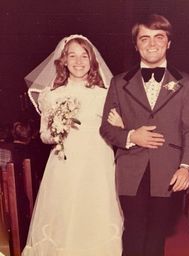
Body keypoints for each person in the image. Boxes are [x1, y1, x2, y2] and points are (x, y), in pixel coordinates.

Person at [100, 14, 189, 256]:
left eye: (159, 37)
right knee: (134, 231)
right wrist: (131, 136)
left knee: (157, 234)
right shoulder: (119, 83)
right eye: (144, 38)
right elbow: (106, 128)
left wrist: (186, 166)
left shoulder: (186, 83)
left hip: (169, 172)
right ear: (136, 45)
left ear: (169, 43)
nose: (152, 43)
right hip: (131, 169)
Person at [22, 35, 123, 256]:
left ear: (92, 60)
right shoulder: (51, 95)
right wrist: (58, 131)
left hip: (96, 164)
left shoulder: (105, 94)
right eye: (72, 55)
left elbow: (117, 131)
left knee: (93, 215)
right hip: (64, 164)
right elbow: (43, 135)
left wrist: (120, 124)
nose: (79, 61)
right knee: (64, 216)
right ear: (64, 60)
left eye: (84, 55)